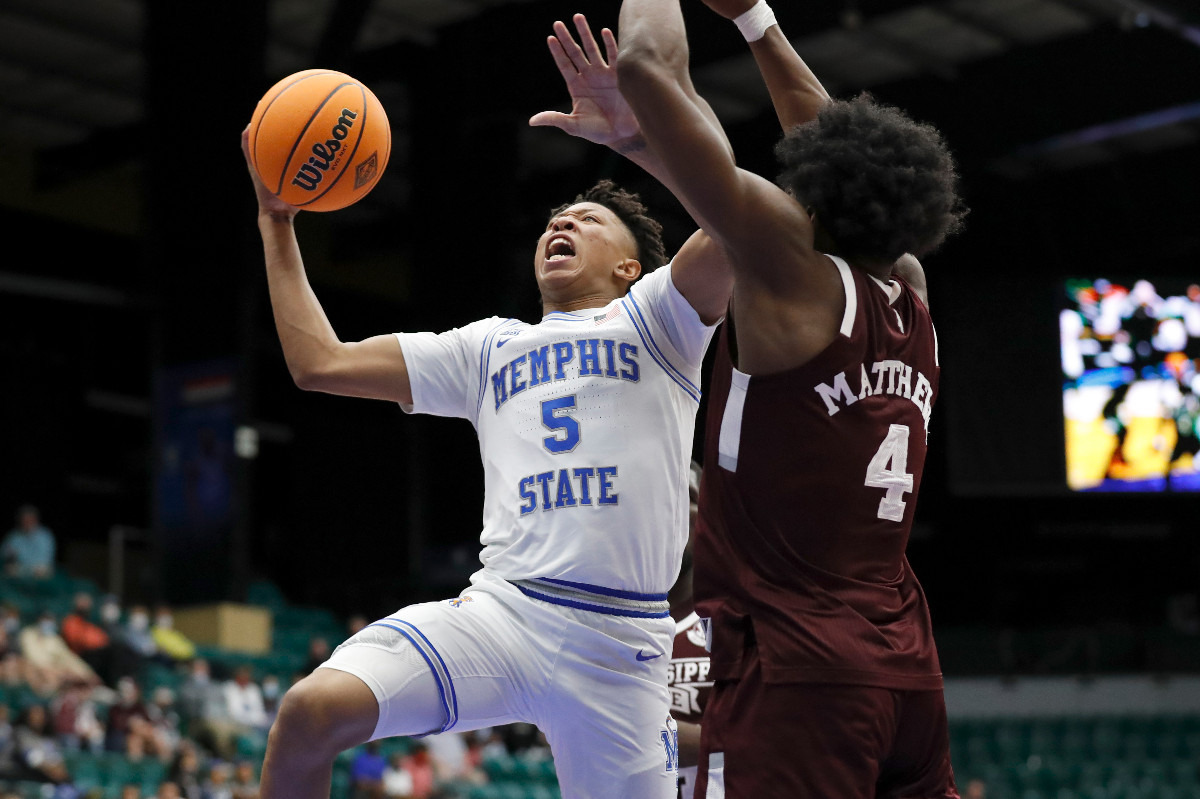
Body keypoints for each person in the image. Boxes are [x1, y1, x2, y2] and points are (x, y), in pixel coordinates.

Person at [241, 33, 734, 794]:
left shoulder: (659, 319)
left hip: (622, 649)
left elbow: (741, 219)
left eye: (587, 222)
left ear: (632, 266)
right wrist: (279, 222)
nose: (560, 226)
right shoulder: (488, 348)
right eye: (553, 221)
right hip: (506, 614)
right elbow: (320, 363)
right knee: (310, 709)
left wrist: (639, 142)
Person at [614, 0, 967, 795]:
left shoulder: (793, 271)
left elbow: (644, 64)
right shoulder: (908, 292)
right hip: (906, 664)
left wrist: (647, 127)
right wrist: (754, 19)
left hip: (796, 667)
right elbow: (834, 146)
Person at [667, 461, 711, 799]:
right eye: (658, 498)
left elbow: (771, 737)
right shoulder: (596, 624)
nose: (672, 510)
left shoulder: (740, 622)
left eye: (687, 497)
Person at [1, 504, 55, 578]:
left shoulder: (44, 535)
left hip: (37, 569)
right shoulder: (14, 536)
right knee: (9, 569)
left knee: (42, 570)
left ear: (35, 520)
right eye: (24, 519)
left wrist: (26, 568)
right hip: (19, 569)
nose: (27, 522)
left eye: (29, 519)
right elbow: (4, 553)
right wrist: (10, 556)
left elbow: (44, 559)